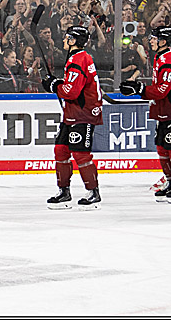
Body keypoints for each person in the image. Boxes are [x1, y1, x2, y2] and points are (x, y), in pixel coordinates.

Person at [119, 26, 171, 203]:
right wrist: (139, 89)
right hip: (164, 110)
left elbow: (163, 90)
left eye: (154, 38)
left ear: (163, 41)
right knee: (162, 147)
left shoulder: (169, 60)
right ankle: (170, 181)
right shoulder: (160, 56)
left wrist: (139, 89)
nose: (150, 41)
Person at [40, 26, 102, 209]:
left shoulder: (78, 59)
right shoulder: (78, 57)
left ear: (74, 40)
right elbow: (74, 85)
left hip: (83, 113)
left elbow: (71, 92)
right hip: (73, 113)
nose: (64, 40)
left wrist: (54, 86)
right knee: (61, 150)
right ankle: (64, 191)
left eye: (67, 37)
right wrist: (58, 83)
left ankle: (93, 192)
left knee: (81, 154)